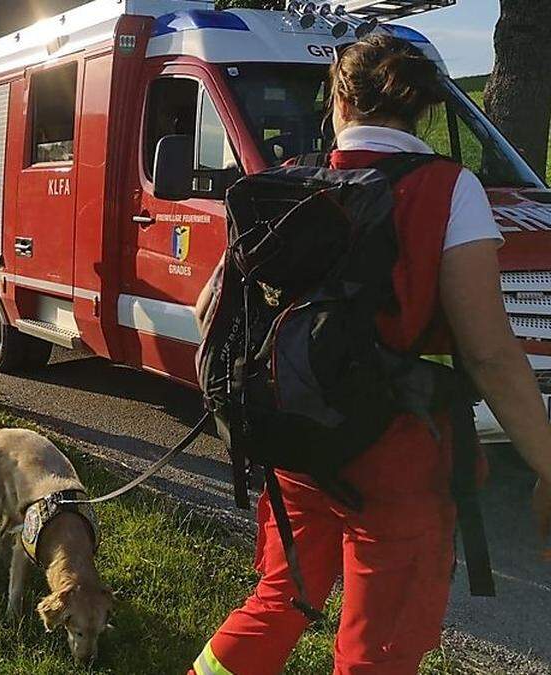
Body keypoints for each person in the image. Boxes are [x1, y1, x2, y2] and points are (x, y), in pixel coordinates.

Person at [190, 35, 551, 675]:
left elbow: (207, 312)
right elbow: (491, 355)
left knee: (279, 599)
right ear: (419, 108)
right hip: (400, 458)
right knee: (378, 650)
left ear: (341, 97)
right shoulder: (450, 189)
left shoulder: (280, 185)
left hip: (296, 446)